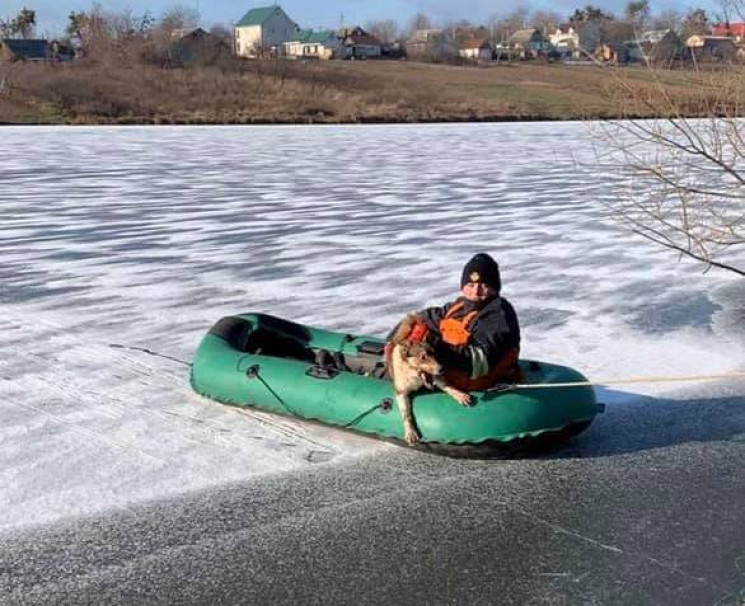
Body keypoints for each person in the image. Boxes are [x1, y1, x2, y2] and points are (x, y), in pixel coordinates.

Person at [416, 252, 521, 390]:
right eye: (471, 285)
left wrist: (435, 349)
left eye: (483, 285)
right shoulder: (459, 306)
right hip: (446, 375)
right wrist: (406, 329)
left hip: (477, 383)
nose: (476, 291)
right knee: (415, 326)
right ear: (463, 287)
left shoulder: (498, 315)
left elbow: (478, 364)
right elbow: (430, 317)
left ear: (495, 288)